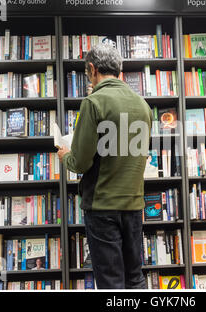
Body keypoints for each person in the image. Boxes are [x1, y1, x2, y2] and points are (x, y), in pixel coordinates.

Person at [57, 44, 152, 289]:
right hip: (133, 205)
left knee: (110, 282)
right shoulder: (142, 105)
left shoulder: (93, 102)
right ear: (119, 70)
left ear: (92, 69)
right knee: (135, 277)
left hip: (102, 207)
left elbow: (80, 162)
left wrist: (66, 155)